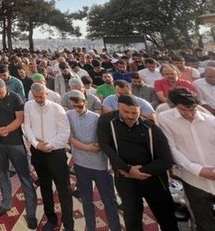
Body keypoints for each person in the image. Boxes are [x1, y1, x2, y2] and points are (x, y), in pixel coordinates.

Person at [97, 95, 179, 231]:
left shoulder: (150, 128)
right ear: (118, 108)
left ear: (140, 110)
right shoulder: (107, 121)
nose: (130, 116)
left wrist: (139, 172)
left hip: (154, 178)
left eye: (134, 113)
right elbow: (105, 145)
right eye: (126, 112)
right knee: (132, 219)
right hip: (125, 178)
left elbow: (166, 161)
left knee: (167, 217)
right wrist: (127, 169)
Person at [158, 89, 215, 231]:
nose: (189, 114)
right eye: (184, 110)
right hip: (193, 180)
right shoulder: (165, 118)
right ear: (174, 105)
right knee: (204, 224)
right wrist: (198, 170)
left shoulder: (210, 121)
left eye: (193, 109)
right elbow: (171, 149)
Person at [0, 79, 38, 229]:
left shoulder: (15, 97)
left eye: (1, 93)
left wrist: (5, 130)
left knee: (24, 176)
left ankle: (31, 213)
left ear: (5, 88)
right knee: (2, 173)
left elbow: (19, 119)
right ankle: (6, 203)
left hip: (15, 143)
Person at [66, 90, 121, 231]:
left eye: (79, 105)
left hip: (100, 166)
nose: (77, 109)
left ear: (85, 102)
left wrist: (95, 147)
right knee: (86, 200)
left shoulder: (96, 118)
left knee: (108, 200)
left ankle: (115, 227)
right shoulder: (69, 115)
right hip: (80, 164)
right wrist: (87, 147)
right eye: (74, 106)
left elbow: (104, 141)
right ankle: (91, 227)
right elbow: (69, 137)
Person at [22, 83, 73, 231]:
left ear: (47, 94)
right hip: (38, 152)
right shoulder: (28, 106)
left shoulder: (57, 109)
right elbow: (27, 127)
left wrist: (48, 145)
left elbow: (64, 133)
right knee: (45, 187)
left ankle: (68, 224)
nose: (39, 100)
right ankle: (51, 219)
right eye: (36, 97)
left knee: (63, 189)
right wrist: (37, 144)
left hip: (56, 154)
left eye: (41, 96)